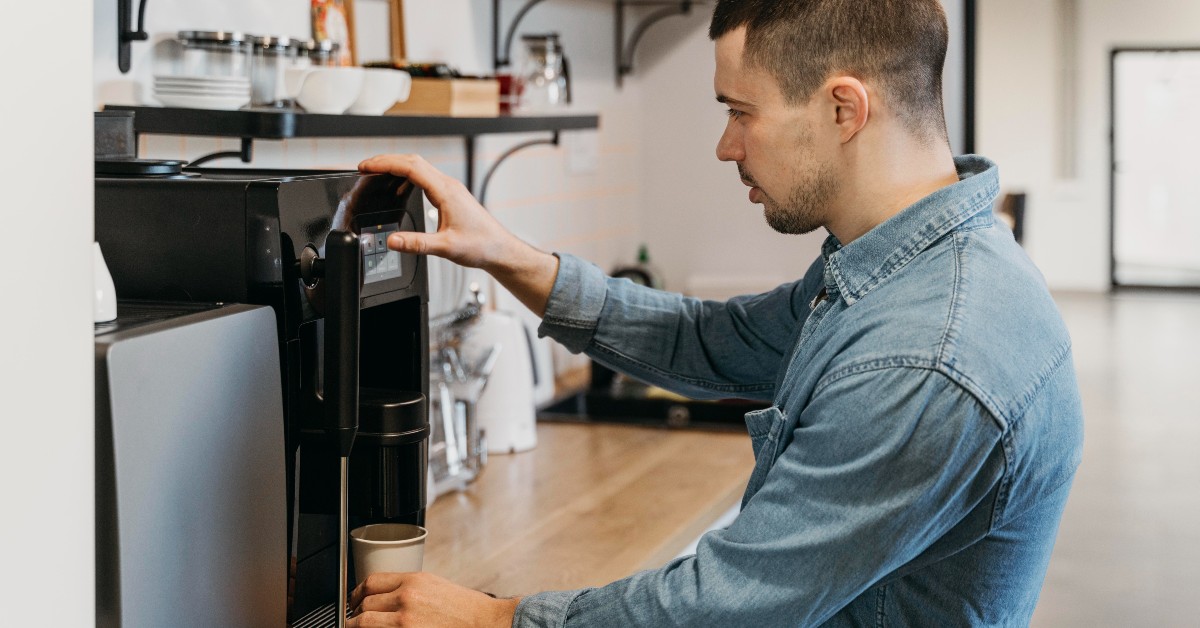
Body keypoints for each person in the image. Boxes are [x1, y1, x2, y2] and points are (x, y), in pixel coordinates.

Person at [347, 0, 1085, 626]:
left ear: (844, 109)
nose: (725, 145)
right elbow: (715, 342)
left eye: (741, 111)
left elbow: (726, 606)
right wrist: (509, 257)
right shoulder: (908, 267)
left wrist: (493, 616)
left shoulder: (928, 354)